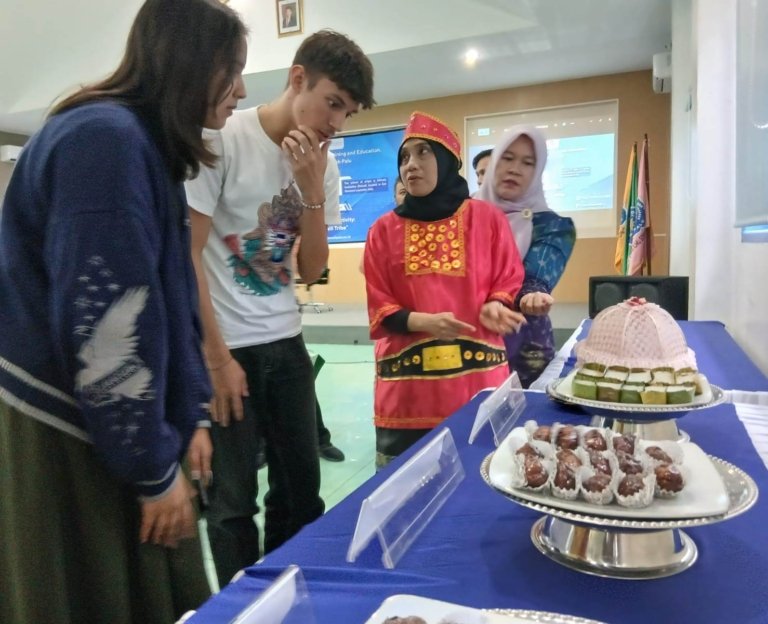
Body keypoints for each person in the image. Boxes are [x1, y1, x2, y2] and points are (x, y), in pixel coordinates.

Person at [0, 1, 248, 623]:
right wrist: (150, 471)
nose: (241, 89)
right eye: (233, 69)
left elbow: (167, 296)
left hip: (104, 421)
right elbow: (106, 327)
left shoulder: (133, 142)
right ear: (191, 64)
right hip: (65, 428)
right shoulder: (104, 142)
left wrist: (188, 412)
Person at [185, 29, 374, 586]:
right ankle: (242, 608)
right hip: (228, 350)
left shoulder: (325, 166)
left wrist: (311, 187)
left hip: (286, 345)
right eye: (332, 102)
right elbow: (186, 257)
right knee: (232, 502)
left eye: (349, 111)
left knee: (300, 493)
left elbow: (313, 270)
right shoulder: (221, 140)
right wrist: (215, 360)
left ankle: (291, 598)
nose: (337, 122)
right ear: (297, 79)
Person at [364, 112, 526, 467]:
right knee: (405, 493)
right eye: (404, 158)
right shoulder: (381, 231)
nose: (411, 165)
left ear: (446, 162)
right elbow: (379, 305)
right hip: (407, 394)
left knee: (482, 482)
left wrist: (498, 303)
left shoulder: (487, 219)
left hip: (477, 385)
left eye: (424, 153)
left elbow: (509, 275)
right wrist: (424, 321)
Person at [477, 126, 576, 388]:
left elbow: (535, 276)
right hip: (468, 337)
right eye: (507, 158)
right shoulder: (462, 216)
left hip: (523, 341)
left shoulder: (553, 226)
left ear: (537, 171)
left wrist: (532, 294)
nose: (515, 169)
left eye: (527, 162)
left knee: (526, 424)